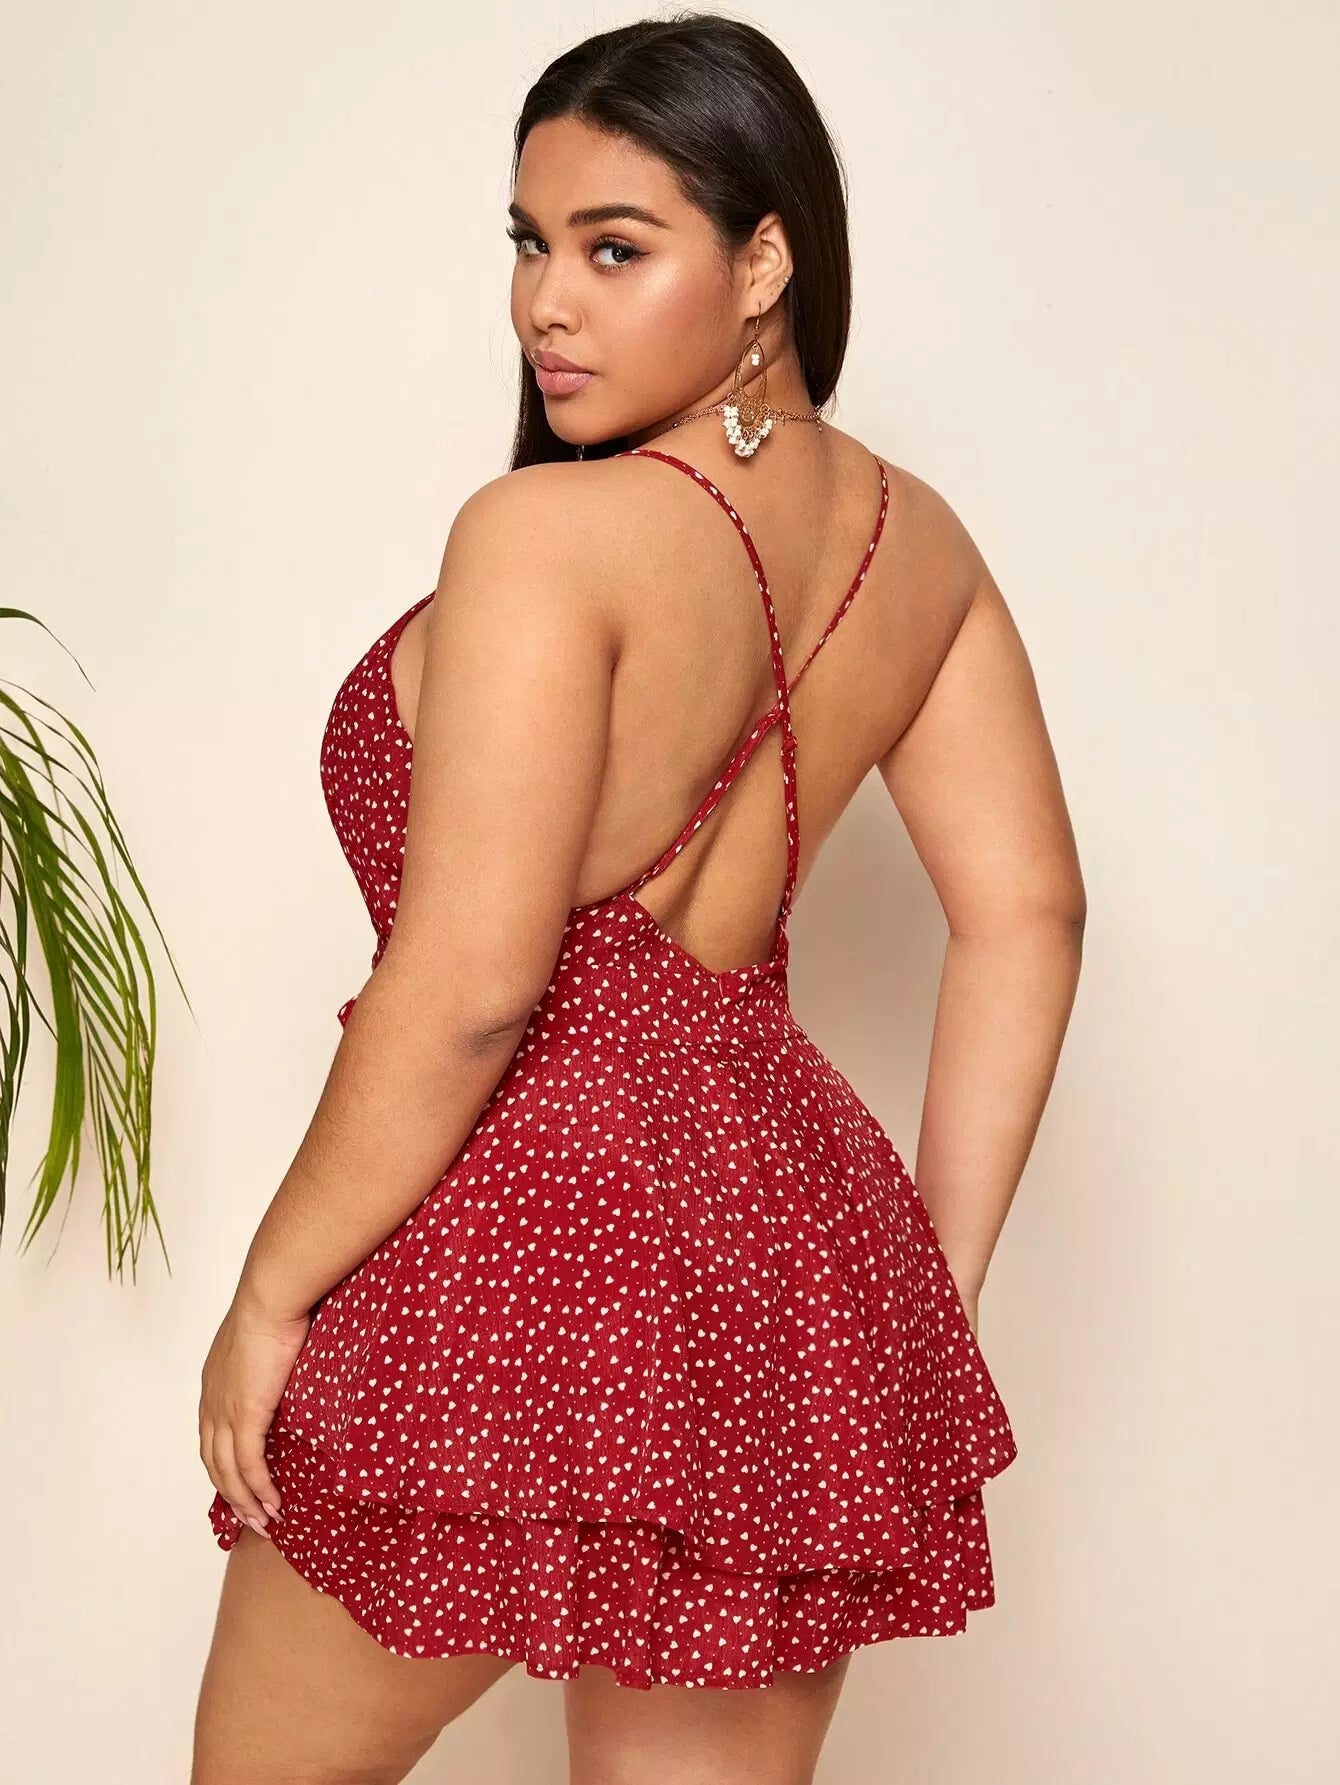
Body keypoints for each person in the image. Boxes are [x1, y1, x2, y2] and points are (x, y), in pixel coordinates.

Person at [192, 14, 1085, 1784]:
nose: (547, 304)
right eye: (529, 244)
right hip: (786, 1275)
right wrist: (932, 1286)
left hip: (512, 1243)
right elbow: (1031, 912)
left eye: (615, 249)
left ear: (765, 263)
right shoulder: (924, 547)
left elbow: (473, 988)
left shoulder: (540, 537)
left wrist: (272, 1291)